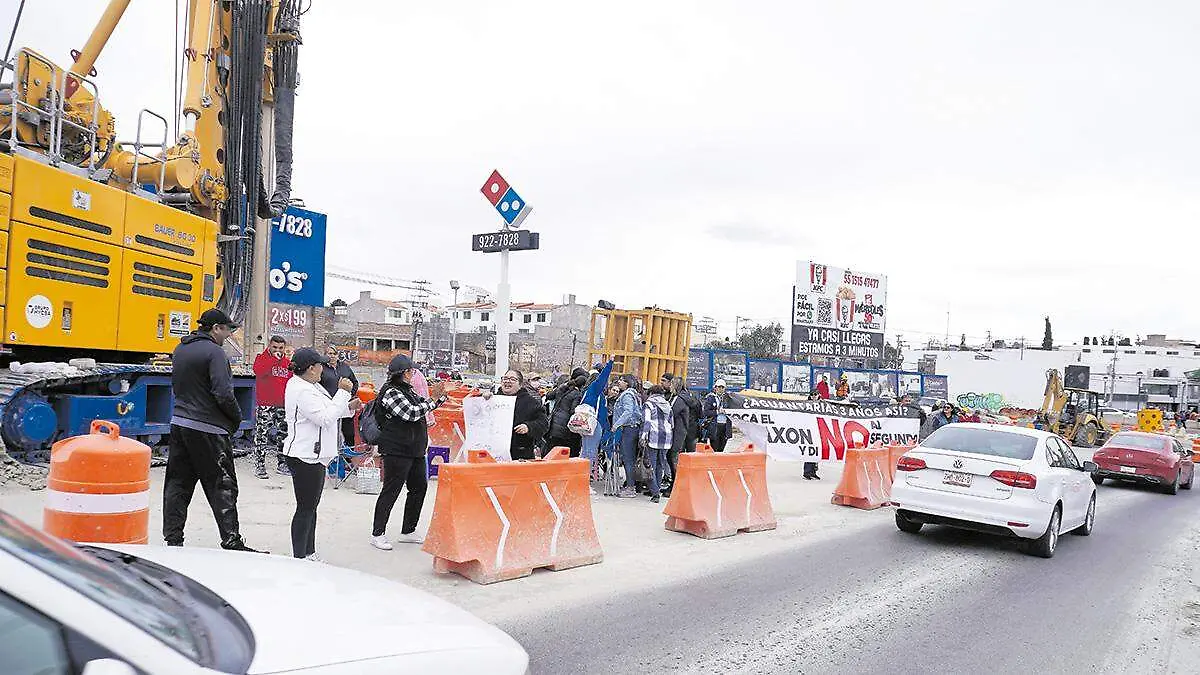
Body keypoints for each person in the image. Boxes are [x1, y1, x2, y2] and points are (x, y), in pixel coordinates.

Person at [163, 308, 262, 552]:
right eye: (227, 330)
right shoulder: (215, 352)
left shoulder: (180, 349)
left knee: (178, 483)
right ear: (216, 328)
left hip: (180, 424)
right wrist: (236, 418)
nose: (228, 335)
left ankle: (173, 540)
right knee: (222, 485)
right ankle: (231, 540)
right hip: (208, 428)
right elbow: (223, 393)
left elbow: (177, 386)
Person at [281, 348, 361, 560]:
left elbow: (327, 409)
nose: (323, 369)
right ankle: (300, 557)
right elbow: (324, 418)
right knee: (306, 509)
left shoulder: (310, 386)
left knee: (311, 508)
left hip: (314, 455)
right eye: (320, 366)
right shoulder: (302, 390)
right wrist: (343, 392)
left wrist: (348, 406)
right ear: (311, 368)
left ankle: (309, 553)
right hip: (305, 455)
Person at [370, 354, 447, 551]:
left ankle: (408, 530)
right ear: (405, 373)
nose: (414, 374)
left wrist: (440, 397)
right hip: (397, 450)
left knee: (419, 488)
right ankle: (378, 533)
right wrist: (433, 400)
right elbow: (411, 413)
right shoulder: (391, 392)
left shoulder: (408, 390)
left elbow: (422, 406)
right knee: (391, 490)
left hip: (415, 450)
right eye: (412, 371)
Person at [483, 370, 549, 461]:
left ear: (520, 384)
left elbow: (544, 424)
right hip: (494, 454)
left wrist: (529, 427)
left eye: (512, 379)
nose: (507, 381)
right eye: (505, 378)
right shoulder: (493, 399)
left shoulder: (531, 402)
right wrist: (483, 400)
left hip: (521, 456)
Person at [252, 335, 292, 479]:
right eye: (275, 347)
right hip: (265, 404)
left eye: (281, 348)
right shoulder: (261, 358)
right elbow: (258, 371)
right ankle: (259, 465)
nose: (278, 350)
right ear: (269, 346)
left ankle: (282, 464)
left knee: (283, 436)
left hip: (282, 405)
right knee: (261, 436)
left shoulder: (287, 363)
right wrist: (273, 360)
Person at [320, 346, 359, 448]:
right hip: (328, 405)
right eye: (330, 353)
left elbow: (354, 382)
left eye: (334, 354)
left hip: (345, 404)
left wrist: (350, 395)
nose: (332, 356)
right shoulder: (321, 368)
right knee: (331, 432)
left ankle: (349, 453)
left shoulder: (345, 367)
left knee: (349, 433)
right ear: (325, 355)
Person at [611, 375, 644, 497]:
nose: (619, 382)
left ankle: (630, 488)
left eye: (621, 380)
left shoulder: (627, 395)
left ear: (627, 383)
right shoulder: (634, 394)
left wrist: (616, 425)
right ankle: (631, 485)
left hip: (629, 429)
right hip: (633, 429)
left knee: (628, 458)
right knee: (630, 459)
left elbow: (628, 411)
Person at [641, 385, 673, 503]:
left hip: (653, 436)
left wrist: (643, 435)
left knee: (651, 465)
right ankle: (657, 489)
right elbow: (671, 422)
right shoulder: (667, 404)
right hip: (667, 437)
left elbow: (647, 421)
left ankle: (655, 493)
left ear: (651, 393)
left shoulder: (648, 404)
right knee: (660, 464)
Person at [546, 369, 587, 457]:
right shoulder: (577, 394)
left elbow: (549, 395)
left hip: (553, 424)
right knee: (560, 454)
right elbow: (573, 411)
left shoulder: (562, 388)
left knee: (550, 452)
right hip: (564, 429)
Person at [668, 378, 694, 492]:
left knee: (673, 457)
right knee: (673, 457)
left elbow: (671, 413)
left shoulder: (679, 399)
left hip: (677, 432)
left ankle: (676, 486)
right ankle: (675, 484)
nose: (670, 386)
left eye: (671, 384)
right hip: (681, 431)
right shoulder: (685, 397)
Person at [702, 379, 733, 452]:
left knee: (721, 449)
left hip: (725, 427)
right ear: (715, 388)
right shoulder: (710, 398)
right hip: (714, 426)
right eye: (719, 387)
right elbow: (706, 412)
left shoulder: (729, 398)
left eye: (722, 387)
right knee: (714, 449)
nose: (720, 389)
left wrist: (728, 412)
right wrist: (717, 412)